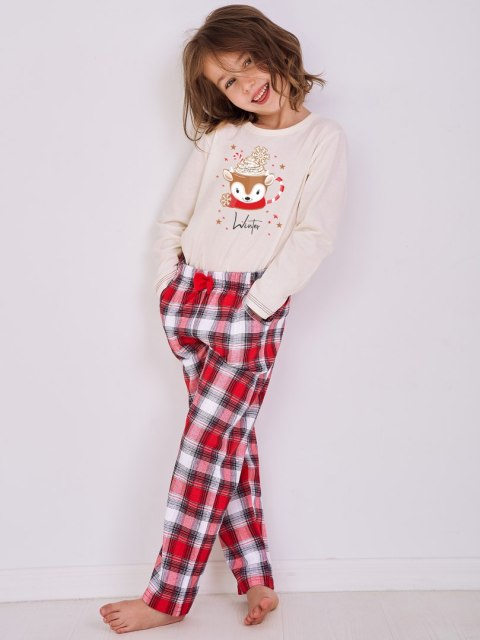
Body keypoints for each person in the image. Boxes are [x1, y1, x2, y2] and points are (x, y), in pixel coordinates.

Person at [100, 3, 348, 634]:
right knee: (228, 443)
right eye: (228, 81)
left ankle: (168, 597)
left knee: (203, 451)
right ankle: (256, 575)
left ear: (275, 50)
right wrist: (168, 283)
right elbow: (173, 219)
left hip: (249, 308)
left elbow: (314, 234)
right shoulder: (222, 140)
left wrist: (260, 303)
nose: (246, 84)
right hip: (190, 297)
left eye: (248, 64)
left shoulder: (321, 139)